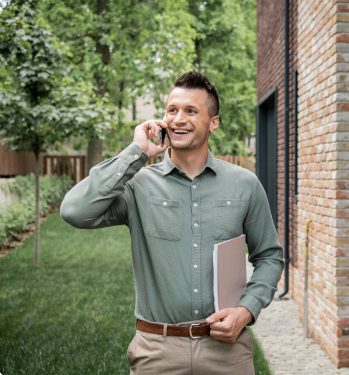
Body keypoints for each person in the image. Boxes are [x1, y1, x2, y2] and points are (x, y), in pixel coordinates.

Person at [61, 71, 284, 375]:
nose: (178, 118)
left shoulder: (245, 185)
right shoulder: (138, 185)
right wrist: (136, 153)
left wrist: (247, 311)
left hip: (227, 353)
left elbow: (269, 256)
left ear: (213, 122)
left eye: (191, 111)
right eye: (172, 110)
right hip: (157, 351)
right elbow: (75, 210)